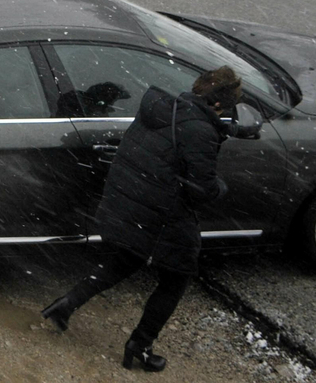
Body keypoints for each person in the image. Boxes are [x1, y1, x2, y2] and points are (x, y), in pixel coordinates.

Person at [41, 66, 245, 372]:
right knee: (176, 277)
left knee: (128, 258)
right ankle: (140, 345)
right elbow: (202, 188)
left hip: (130, 201)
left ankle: (66, 305)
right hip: (162, 213)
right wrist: (221, 188)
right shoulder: (200, 129)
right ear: (218, 103)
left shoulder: (162, 109)